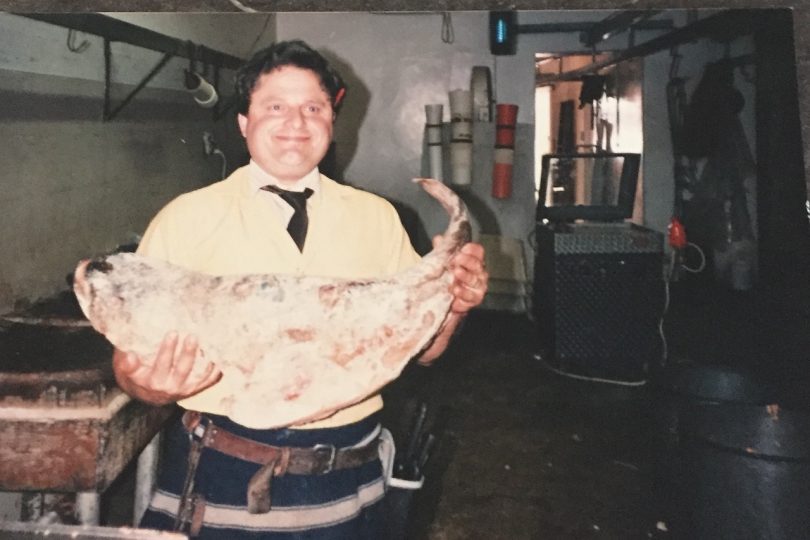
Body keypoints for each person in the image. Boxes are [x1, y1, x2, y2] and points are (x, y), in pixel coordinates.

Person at [112, 40, 488, 539]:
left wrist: (455, 304)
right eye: (275, 107)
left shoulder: (378, 218)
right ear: (244, 122)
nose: (296, 122)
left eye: (313, 107)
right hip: (223, 473)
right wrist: (151, 387)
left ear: (332, 121)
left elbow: (423, 351)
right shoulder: (186, 218)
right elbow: (128, 366)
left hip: (349, 473)